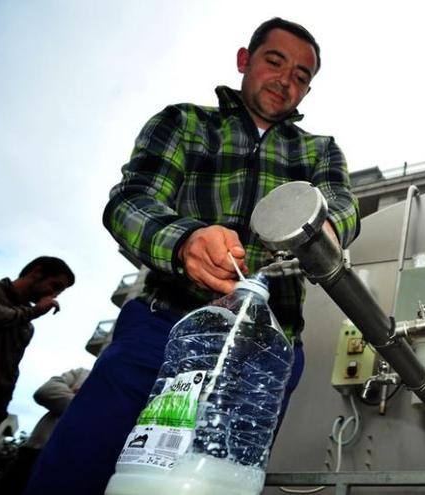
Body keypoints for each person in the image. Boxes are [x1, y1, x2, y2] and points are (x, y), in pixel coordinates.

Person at [26, 18, 359, 494]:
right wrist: (184, 241)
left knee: (215, 483)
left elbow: (343, 205)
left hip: (265, 350)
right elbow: (131, 200)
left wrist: (323, 230)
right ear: (245, 60)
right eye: (275, 61)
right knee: (78, 470)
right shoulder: (185, 123)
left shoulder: (320, 150)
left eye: (302, 76)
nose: (287, 80)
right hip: (160, 330)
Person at [0, 257, 75, 428]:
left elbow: (10, 369)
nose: (52, 296)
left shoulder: (27, 326)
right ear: (36, 273)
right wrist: (33, 312)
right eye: (54, 286)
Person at [1, 368, 89, 495]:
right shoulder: (82, 373)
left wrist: (75, 398)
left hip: (77, 463)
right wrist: (91, 408)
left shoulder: (120, 390)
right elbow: (46, 391)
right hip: (36, 452)